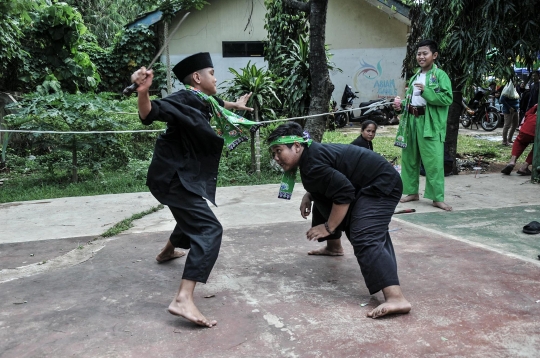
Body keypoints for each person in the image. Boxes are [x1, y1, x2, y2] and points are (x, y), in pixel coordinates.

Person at [130, 52, 255, 327]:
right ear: (197, 78)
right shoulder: (184, 98)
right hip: (174, 179)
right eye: (212, 72)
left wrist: (237, 104)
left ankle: (166, 252)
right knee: (209, 229)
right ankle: (183, 299)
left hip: (177, 177)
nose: (216, 77)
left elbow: (217, 103)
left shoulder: (202, 99)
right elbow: (150, 112)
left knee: (191, 215)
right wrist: (143, 91)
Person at [267, 122, 411, 318]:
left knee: (364, 234)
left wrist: (329, 226)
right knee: (322, 197)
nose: (276, 158)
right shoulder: (311, 156)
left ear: (297, 146)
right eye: (273, 153)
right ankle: (334, 247)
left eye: (279, 151)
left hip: (382, 184)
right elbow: (330, 179)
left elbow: (343, 192)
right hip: (368, 182)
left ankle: (396, 298)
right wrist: (309, 195)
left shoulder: (312, 163)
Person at [393, 39, 453, 211]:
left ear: (434, 55)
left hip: (430, 123)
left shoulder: (440, 75)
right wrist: (401, 105)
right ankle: (411, 192)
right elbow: (412, 100)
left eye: (425, 53)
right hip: (411, 121)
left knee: (433, 161)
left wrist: (427, 91)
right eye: (419, 53)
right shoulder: (414, 76)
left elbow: (447, 98)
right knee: (409, 158)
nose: (421, 56)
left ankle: (437, 198)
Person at [501, 104, 538, 176]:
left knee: (520, 142)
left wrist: (535, 106)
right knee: (537, 148)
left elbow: (528, 113)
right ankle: (524, 167)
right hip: (537, 129)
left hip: (528, 125)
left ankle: (512, 161)